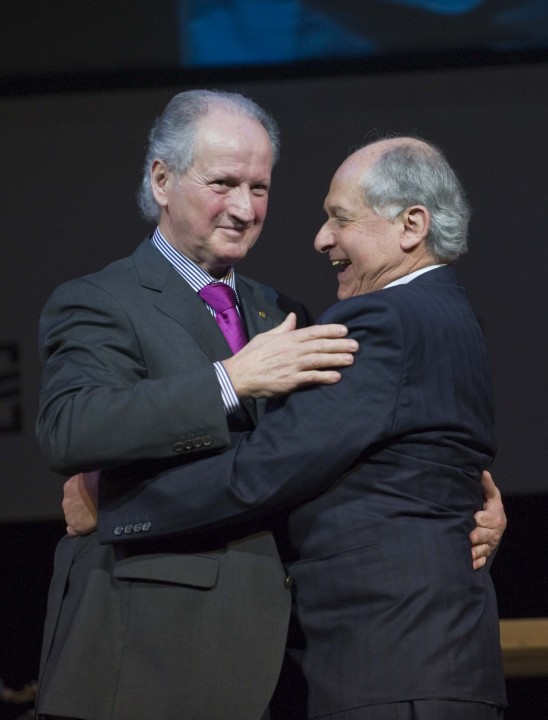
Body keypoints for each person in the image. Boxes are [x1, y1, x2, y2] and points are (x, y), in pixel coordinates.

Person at [66, 136, 508, 719]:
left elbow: (270, 466)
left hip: (394, 665)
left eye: (340, 218)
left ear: (412, 226)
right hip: (426, 663)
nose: (322, 238)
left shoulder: (386, 318)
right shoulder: (447, 311)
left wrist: (114, 502)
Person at [34, 89, 361, 720]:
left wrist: (455, 506)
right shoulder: (101, 299)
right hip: (147, 647)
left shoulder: (281, 311)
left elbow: (321, 457)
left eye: (259, 188)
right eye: (223, 183)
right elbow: (71, 427)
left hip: (277, 655)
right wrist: (229, 381)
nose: (244, 208)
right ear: (162, 180)